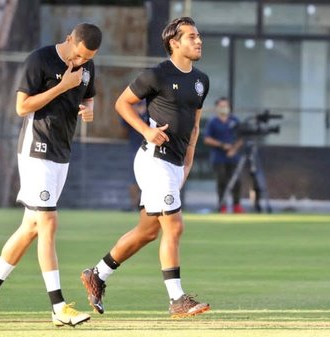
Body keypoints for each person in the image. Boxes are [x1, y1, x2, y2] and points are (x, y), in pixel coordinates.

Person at [0, 23, 102, 328]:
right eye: (80, 55)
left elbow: (88, 96)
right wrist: (61, 87)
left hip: (62, 152)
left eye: (88, 58)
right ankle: (58, 307)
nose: (82, 62)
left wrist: (88, 109)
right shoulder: (40, 60)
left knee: (30, 227)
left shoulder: (88, 66)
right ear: (69, 39)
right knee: (48, 222)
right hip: (36, 149)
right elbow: (21, 107)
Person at [80, 17, 211, 318]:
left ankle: (97, 274)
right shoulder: (156, 75)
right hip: (154, 160)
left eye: (198, 35)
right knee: (175, 226)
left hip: (174, 164)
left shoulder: (202, 80)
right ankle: (177, 300)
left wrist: (187, 163)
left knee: (147, 231)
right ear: (174, 43)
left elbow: (194, 127)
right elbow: (122, 104)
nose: (198, 40)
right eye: (191, 36)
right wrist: (146, 130)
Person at [203, 97, 244, 213]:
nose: (224, 109)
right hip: (218, 157)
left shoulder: (234, 120)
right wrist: (222, 145)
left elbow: (241, 138)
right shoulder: (213, 122)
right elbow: (207, 139)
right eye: (221, 106)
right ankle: (223, 206)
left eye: (226, 106)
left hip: (233, 157)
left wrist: (234, 149)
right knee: (222, 181)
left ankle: (237, 205)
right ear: (217, 108)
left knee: (237, 181)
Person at [120, 100, 148, 210]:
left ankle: (144, 205)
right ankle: (133, 205)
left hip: (150, 150)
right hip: (135, 150)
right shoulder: (130, 110)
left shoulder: (151, 110)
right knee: (133, 179)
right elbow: (123, 131)